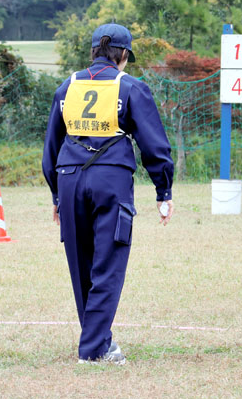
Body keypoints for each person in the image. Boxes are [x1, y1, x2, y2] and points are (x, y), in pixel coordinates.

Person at [42, 23, 175, 365]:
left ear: (92, 52)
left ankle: (100, 340)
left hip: (69, 178)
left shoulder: (66, 86)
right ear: (124, 55)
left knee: (81, 265)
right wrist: (163, 190)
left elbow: (51, 147)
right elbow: (154, 145)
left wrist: (57, 195)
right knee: (108, 264)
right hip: (110, 180)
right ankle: (93, 349)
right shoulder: (129, 87)